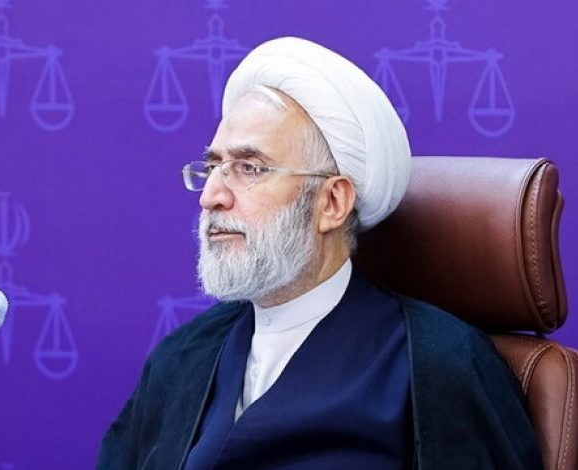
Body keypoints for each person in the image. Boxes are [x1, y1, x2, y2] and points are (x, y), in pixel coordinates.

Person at [98, 37, 542, 469]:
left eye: (249, 168)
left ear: (332, 202)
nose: (211, 195)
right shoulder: (182, 357)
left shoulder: (440, 365)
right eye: (214, 166)